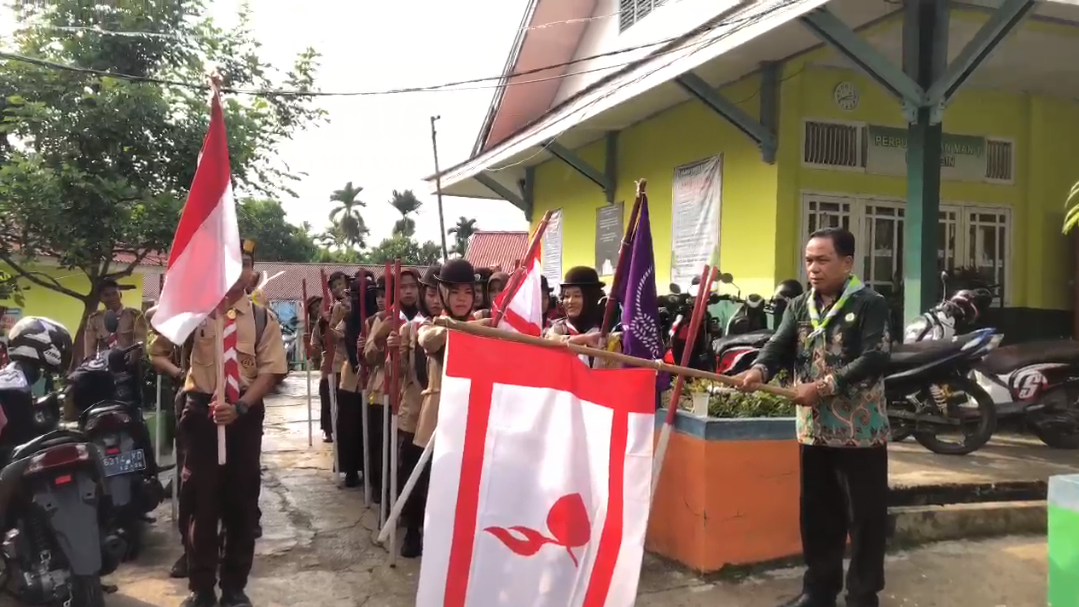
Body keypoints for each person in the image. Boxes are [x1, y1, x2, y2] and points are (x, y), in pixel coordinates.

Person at [737, 227, 891, 607]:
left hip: (860, 432)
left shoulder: (870, 304)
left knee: (865, 519)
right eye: (809, 260)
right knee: (818, 516)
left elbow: (875, 358)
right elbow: (778, 344)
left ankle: (861, 595)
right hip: (814, 430)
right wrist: (759, 371)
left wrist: (821, 387)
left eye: (823, 260)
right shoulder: (798, 305)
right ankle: (818, 591)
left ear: (847, 262)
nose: (814, 268)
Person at [151, 241, 288, 607]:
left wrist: (241, 406)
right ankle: (201, 587)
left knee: (242, 502)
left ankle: (233, 586)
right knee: (200, 503)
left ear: (253, 273)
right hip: (200, 415)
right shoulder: (194, 313)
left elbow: (271, 370)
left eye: (245, 264)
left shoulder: (262, 319)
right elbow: (157, 350)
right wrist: (182, 374)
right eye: (230, 263)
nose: (238, 271)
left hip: (243, 416)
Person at [387, 265, 440, 558]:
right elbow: (398, 375)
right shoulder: (410, 328)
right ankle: (412, 531)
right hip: (414, 413)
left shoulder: (463, 326)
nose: (435, 299)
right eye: (430, 292)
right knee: (413, 476)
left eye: (439, 293)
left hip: (447, 415)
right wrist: (393, 353)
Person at [362, 269, 421, 499]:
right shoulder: (383, 317)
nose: (408, 291)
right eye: (402, 287)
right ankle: (385, 497)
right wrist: (379, 338)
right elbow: (369, 356)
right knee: (384, 452)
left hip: (414, 397)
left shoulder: (426, 318)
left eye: (413, 286)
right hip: (384, 392)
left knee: (408, 455)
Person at [546, 267, 621, 367]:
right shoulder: (557, 329)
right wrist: (584, 339)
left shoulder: (607, 331)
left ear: (591, 298)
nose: (570, 301)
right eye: (566, 296)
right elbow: (549, 344)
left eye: (577, 296)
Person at [83, 279, 148, 361]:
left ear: (120, 294)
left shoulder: (135, 316)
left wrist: (131, 361)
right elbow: (89, 348)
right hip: (104, 365)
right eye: (106, 295)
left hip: (129, 364)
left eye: (114, 294)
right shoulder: (95, 319)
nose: (111, 298)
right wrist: (91, 365)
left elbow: (140, 343)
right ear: (101, 298)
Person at [305, 295, 332, 443]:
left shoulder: (343, 315)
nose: (318, 310)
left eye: (319, 306)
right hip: (328, 367)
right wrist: (307, 346)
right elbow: (314, 350)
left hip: (346, 369)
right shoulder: (317, 326)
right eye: (314, 308)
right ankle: (327, 430)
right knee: (326, 399)